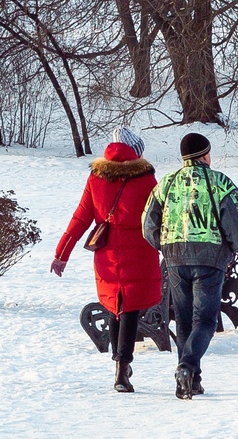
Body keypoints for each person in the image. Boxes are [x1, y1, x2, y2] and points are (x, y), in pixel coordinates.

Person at [49, 126, 160, 392]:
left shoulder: (96, 178)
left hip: (107, 252)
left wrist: (61, 253)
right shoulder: (146, 179)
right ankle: (123, 366)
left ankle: (118, 364)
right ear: (136, 152)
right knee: (131, 308)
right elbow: (160, 216)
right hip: (140, 250)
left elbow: (81, 217)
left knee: (114, 305)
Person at [143, 130, 238, 400]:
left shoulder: (165, 184)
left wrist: (166, 246)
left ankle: (191, 381)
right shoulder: (220, 183)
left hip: (175, 259)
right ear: (205, 154)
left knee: (184, 322)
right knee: (205, 321)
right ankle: (187, 367)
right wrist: (230, 247)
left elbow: (147, 225)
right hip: (210, 259)